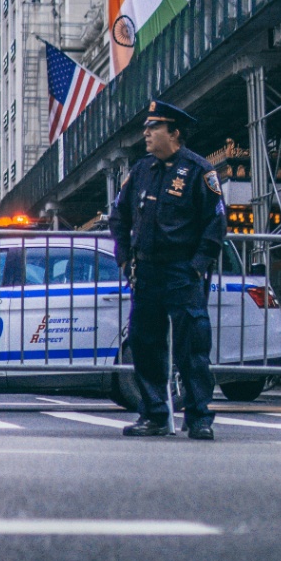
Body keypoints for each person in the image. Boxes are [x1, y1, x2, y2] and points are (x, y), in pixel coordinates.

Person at [108, 98, 227, 440]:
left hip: (181, 271)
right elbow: (120, 215)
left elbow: (216, 222)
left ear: (174, 133)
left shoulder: (199, 170)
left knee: (192, 347)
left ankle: (200, 416)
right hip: (146, 273)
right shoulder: (141, 170)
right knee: (145, 345)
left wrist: (198, 265)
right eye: (147, 127)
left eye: (154, 127)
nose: (146, 133)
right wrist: (125, 257)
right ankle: (155, 414)